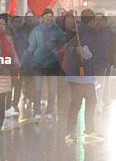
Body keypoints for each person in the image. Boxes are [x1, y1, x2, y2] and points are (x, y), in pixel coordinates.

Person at [64, 9, 104, 143]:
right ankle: (70, 132)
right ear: (91, 20)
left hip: (88, 73)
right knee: (76, 103)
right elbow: (66, 48)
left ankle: (89, 129)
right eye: (95, 20)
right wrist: (75, 50)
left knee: (91, 100)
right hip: (77, 73)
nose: (97, 22)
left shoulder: (92, 33)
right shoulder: (77, 32)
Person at [25, 8, 66, 122]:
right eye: (46, 15)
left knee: (52, 90)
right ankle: (37, 112)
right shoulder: (36, 31)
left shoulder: (57, 31)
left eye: (50, 16)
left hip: (52, 65)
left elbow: (63, 43)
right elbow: (31, 47)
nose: (48, 17)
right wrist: (26, 61)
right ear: (42, 17)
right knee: (37, 89)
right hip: (38, 64)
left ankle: (50, 112)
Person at [6, 16, 27, 116]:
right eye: (15, 21)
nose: (17, 23)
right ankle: (8, 106)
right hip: (9, 64)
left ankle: (15, 105)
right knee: (9, 86)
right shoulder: (8, 34)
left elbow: (25, 48)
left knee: (18, 86)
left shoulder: (23, 35)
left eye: (19, 21)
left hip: (20, 64)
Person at [94, 13, 113, 110]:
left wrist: (112, 60)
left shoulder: (109, 35)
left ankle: (99, 103)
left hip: (103, 64)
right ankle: (95, 102)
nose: (98, 22)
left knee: (100, 84)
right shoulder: (90, 33)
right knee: (93, 84)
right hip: (91, 64)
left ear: (105, 22)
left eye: (100, 20)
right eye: (96, 19)